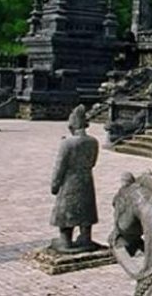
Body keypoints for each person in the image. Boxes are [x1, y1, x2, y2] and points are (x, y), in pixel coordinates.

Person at [49, 104, 99, 252]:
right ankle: (86, 238)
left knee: (66, 211)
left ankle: (66, 241)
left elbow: (60, 166)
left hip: (70, 180)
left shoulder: (67, 143)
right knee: (86, 208)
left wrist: (55, 184)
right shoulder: (93, 141)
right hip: (86, 180)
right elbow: (93, 162)